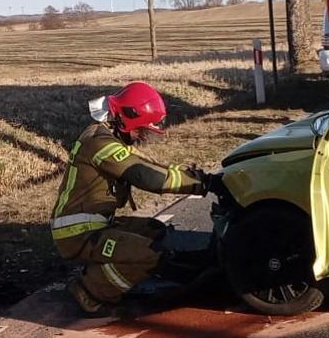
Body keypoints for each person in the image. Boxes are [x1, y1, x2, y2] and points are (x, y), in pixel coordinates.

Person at [51, 81, 215, 316]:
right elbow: (146, 176)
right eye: (140, 130)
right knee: (149, 255)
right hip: (77, 234)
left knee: (154, 230)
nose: (140, 136)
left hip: (94, 224)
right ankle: (91, 292)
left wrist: (197, 176)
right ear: (126, 117)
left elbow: (149, 165)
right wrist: (201, 185)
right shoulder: (100, 144)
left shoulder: (108, 136)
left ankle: (114, 272)